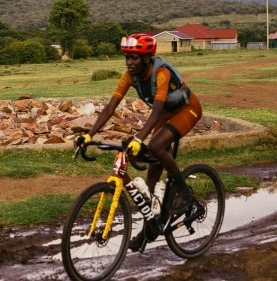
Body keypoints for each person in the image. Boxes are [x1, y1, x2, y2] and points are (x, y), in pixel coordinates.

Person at [76, 33, 203, 251]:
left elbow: (157, 109)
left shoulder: (161, 73)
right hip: (163, 114)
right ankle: (149, 229)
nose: (129, 62)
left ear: (146, 58)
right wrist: (90, 134)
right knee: (151, 178)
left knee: (155, 146)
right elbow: (110, 107)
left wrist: (138, 138)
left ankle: (185, 194)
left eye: (134, 58)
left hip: (186, 109)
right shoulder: (129, 76)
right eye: (127, 57)